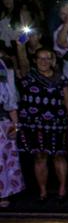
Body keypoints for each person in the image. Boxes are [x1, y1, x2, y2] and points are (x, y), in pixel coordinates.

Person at [14, 46, 68, 203]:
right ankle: (43, 191)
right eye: (40, 58)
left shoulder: (60, 78)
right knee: (39, 157)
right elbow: (22, 59)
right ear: (35, 60)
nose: (43, 61)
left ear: (52, 60)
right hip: (33, 124)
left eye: (47, 58)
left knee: (58, 156)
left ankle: (62, 189)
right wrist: (21, 45)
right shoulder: (29, 75)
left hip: (57, 123)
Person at [0, 59, 25, 207]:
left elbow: (12, 108)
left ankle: (3, 195)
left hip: (2, 127)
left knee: (3, 162)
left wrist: (15, 128)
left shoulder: (3, 86)